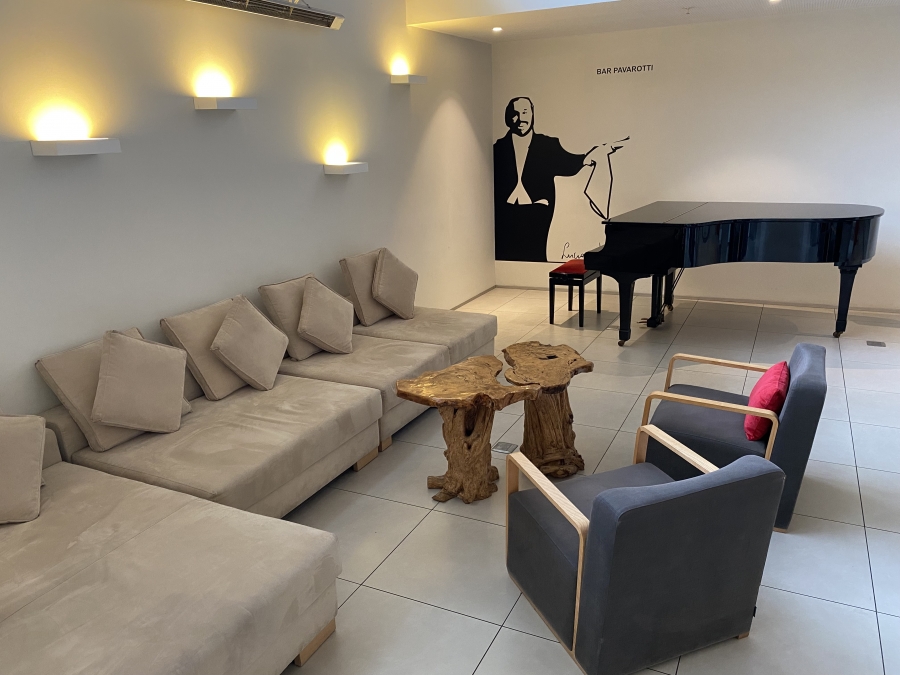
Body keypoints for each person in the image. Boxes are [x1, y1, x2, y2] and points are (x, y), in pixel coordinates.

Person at [494, 97, 603, 262]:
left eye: (525, 112)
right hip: (505, 213)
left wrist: (587, 157)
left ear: (532, 114)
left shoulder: (547, 144)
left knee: (535, 253)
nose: (521, 118)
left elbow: (568, 163)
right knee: (505, 254)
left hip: (539, 210)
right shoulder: (498, 148)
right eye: (516, 113)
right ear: (508, 118)